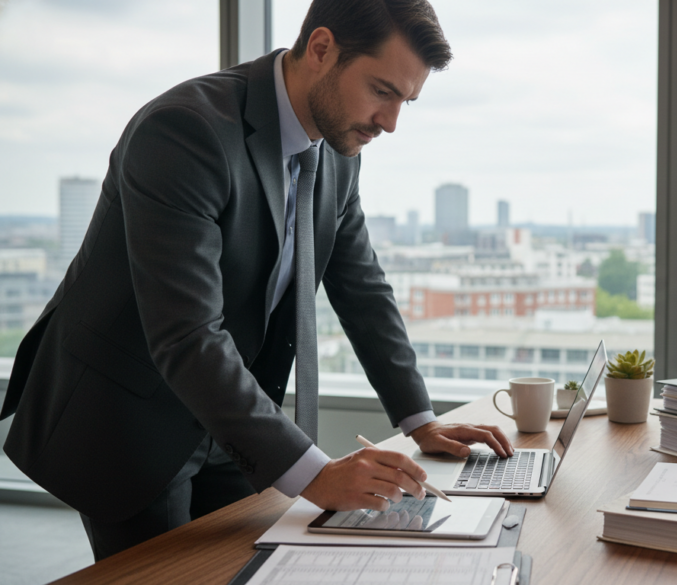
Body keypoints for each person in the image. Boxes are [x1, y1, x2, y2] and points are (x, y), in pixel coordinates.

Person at [0, 0, 512, 562]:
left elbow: (363, 287)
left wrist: (420, 421)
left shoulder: (339, 149)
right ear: (321, 49)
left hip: (229, 414)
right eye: (382, 91)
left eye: (405, 102)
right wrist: (318, 475)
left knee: (250, 567)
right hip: (129, 418)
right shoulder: (184, 131)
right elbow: (186, 334)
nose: (389, 122)